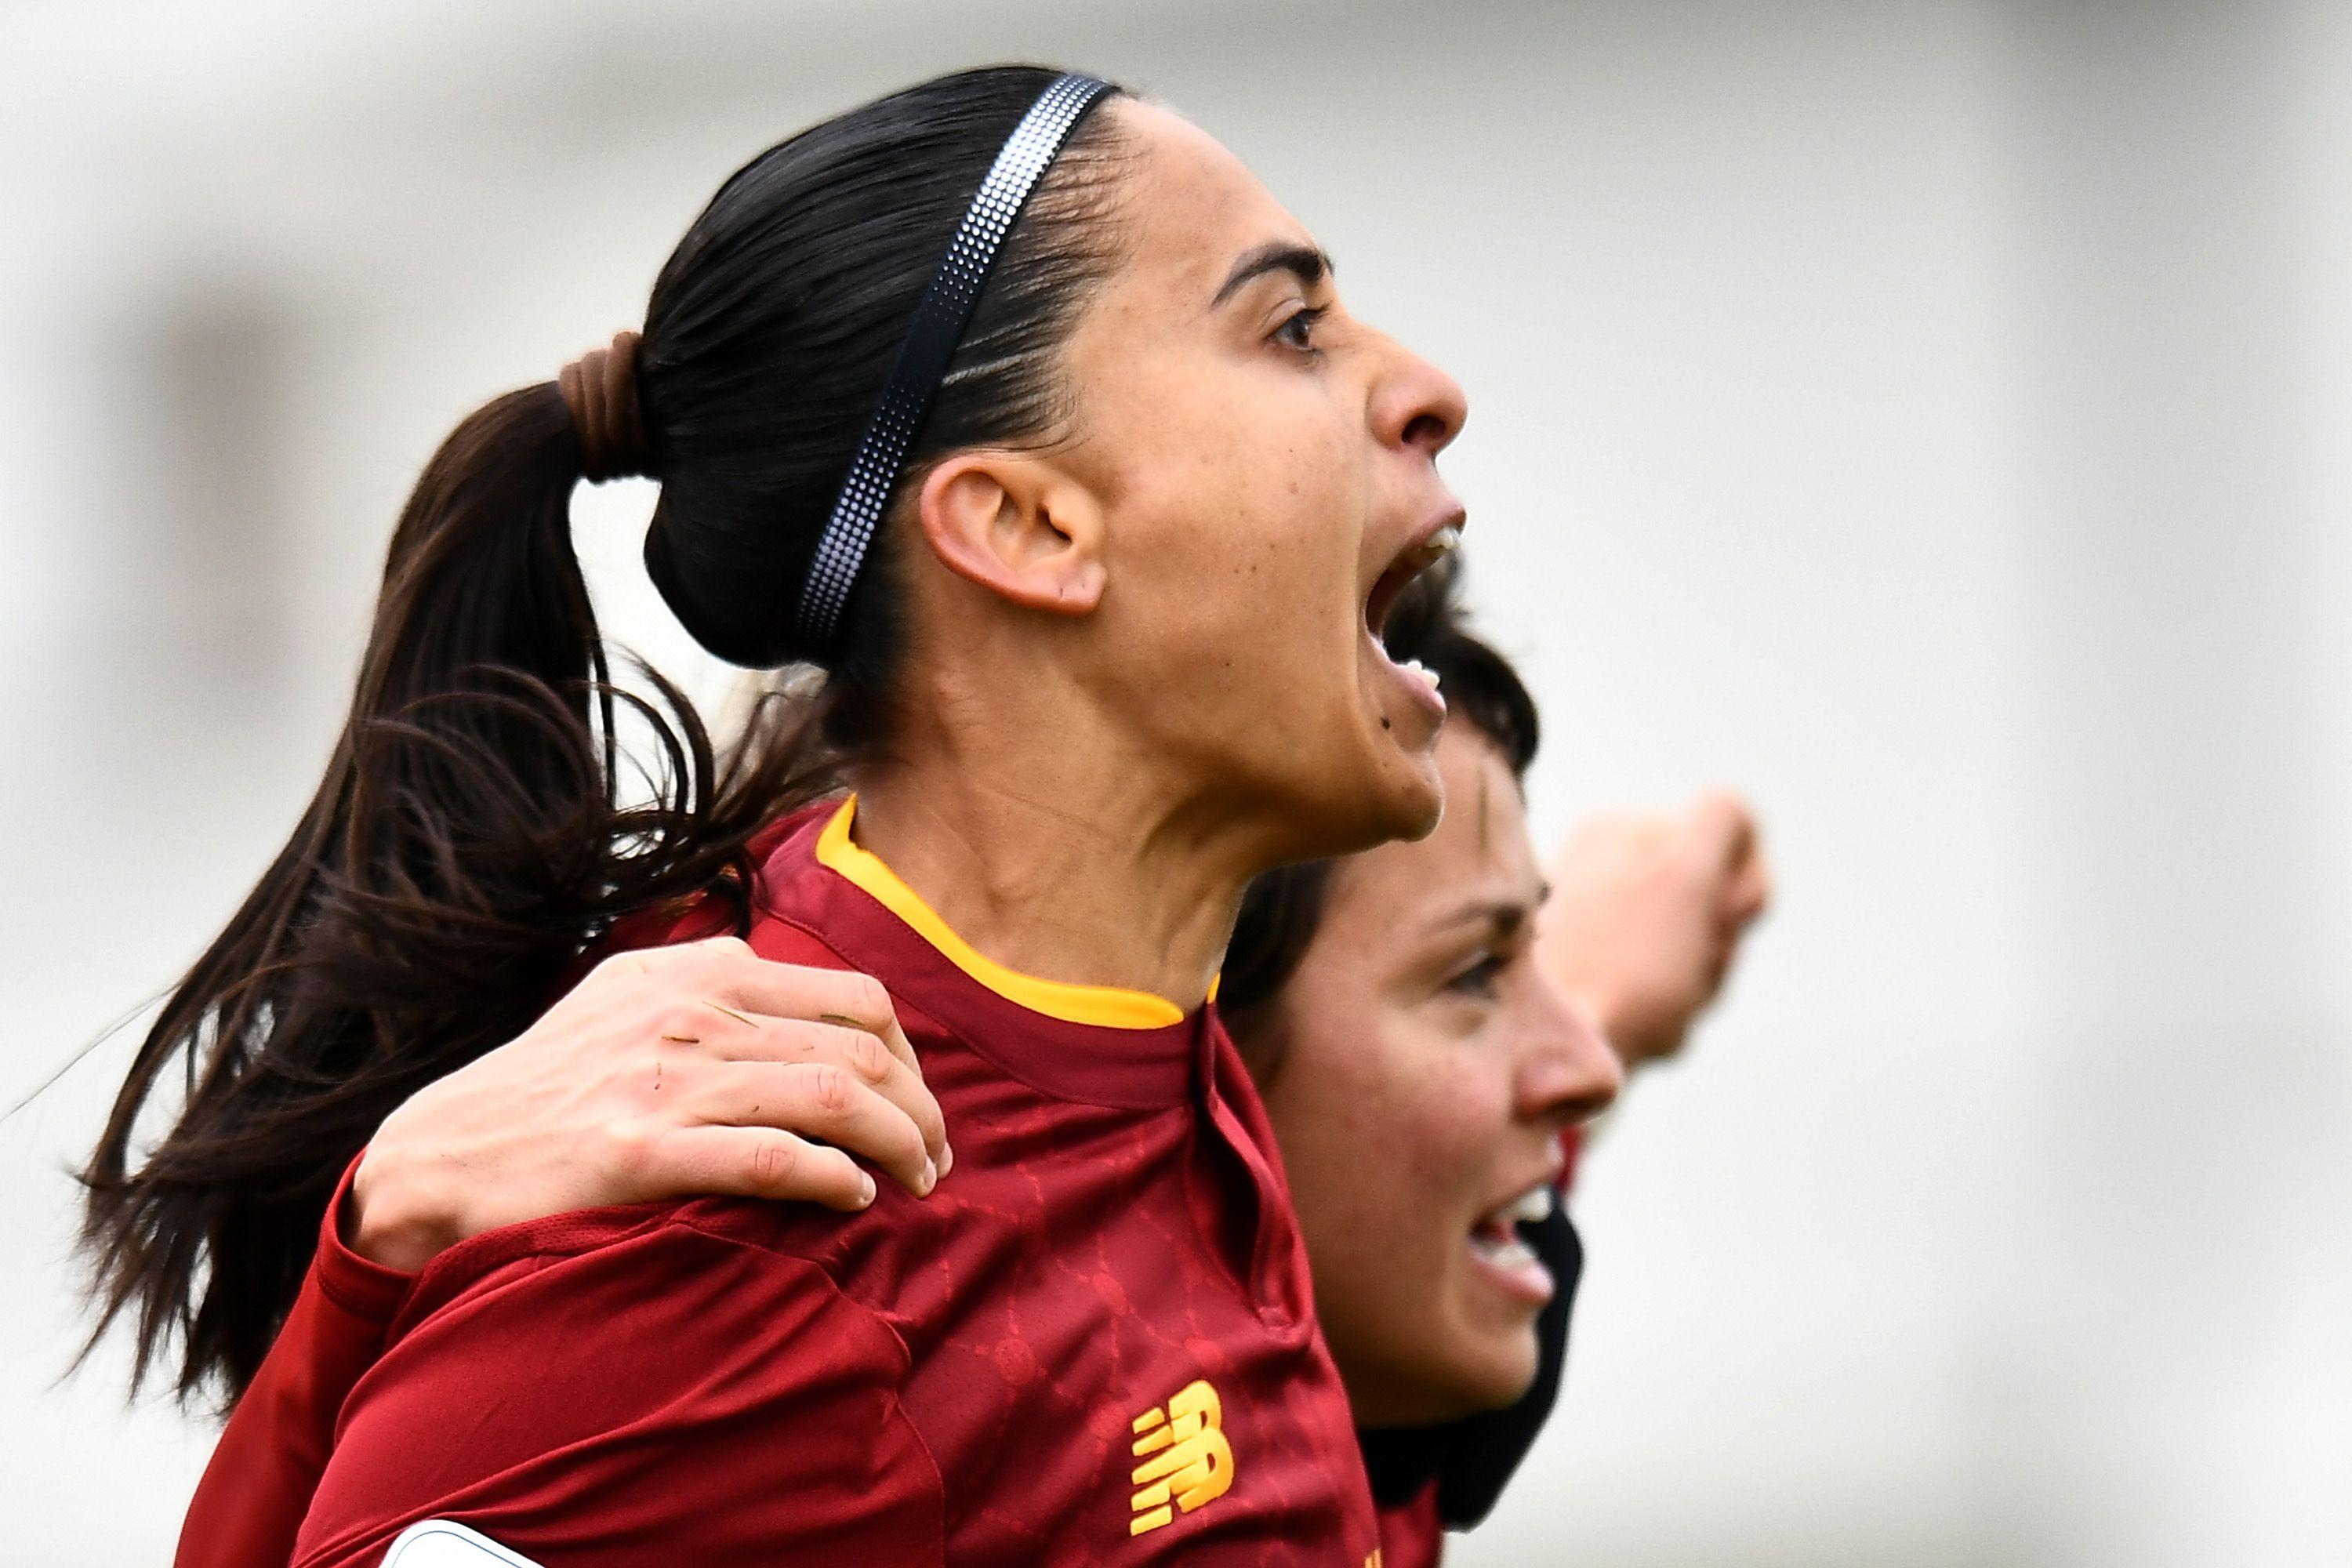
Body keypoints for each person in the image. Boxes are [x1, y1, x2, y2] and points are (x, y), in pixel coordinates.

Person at [88, 63, 1490, 1565]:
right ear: (1020, 525)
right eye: (1290, 328)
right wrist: (357, 1289)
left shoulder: (1141, 1003)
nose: (1422, 389)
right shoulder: (731, 1274)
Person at [169, 563, 1770, 1568]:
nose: (1577, 1071)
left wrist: (1606, 991)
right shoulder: (810, 1305)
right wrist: (368, 1266)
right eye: (1476, 974)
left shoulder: (1305, 1366)